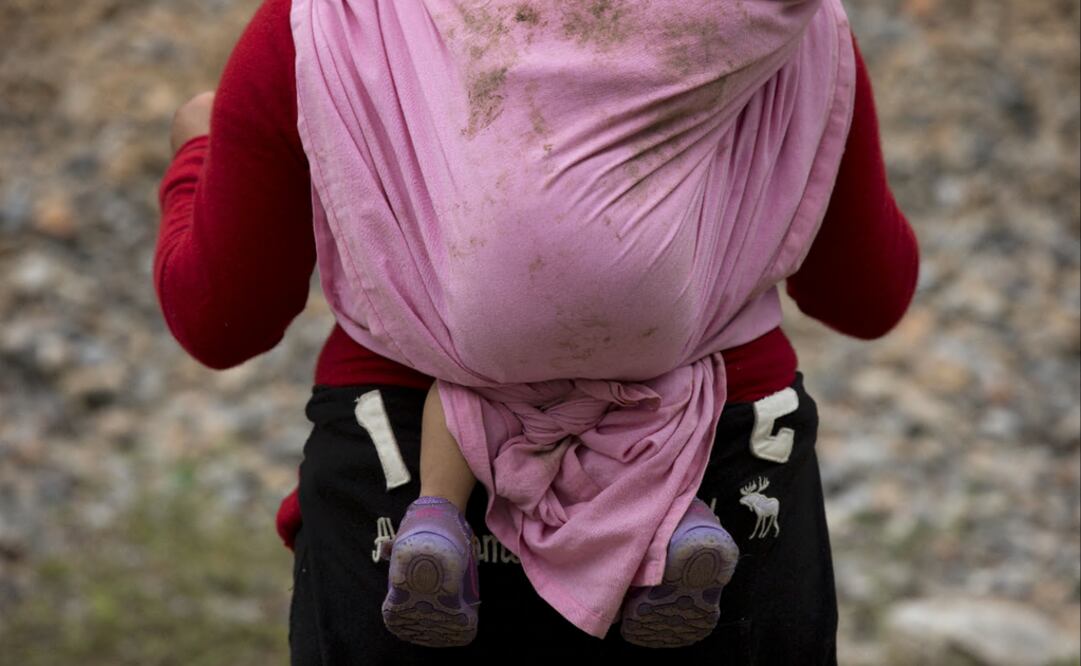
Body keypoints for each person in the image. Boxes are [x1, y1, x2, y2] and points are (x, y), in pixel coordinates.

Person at [156, 0, 919, 662]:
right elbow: (867, 295)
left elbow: (222, 318)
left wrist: (197, 153)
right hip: (725, 466)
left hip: (399, 468)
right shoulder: (786, 28)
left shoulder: (328, 23)